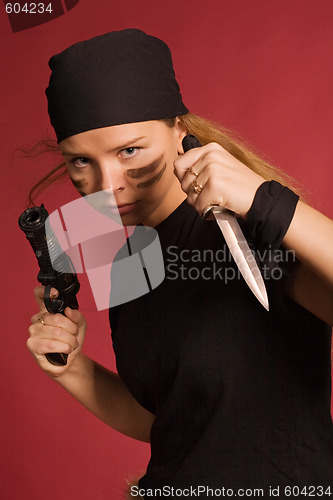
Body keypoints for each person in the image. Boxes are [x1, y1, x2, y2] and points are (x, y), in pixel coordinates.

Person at [27, 29, 333, 499]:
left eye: (129, 150)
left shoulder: (250, 228)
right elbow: (173, 420)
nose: (106, 186)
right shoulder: (125, 254)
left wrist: (266, 201)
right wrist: (72, 369)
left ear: (178, 130)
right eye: (81, 161)